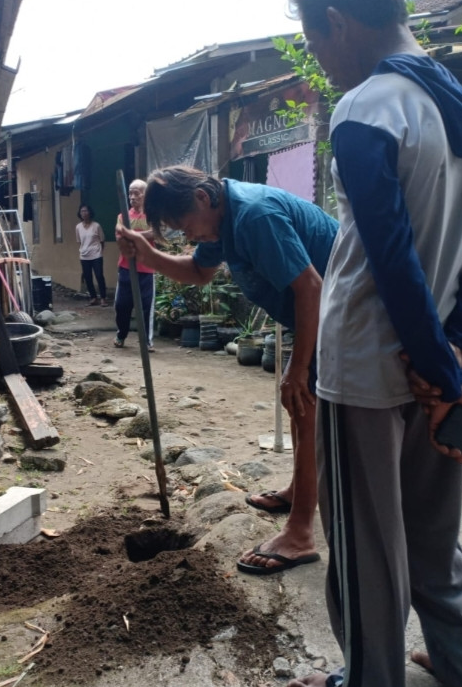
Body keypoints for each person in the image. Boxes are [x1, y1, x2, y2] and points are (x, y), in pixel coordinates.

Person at [286, 0, 462, 687]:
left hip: (364, 370)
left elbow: (388, 261)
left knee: (365, 551)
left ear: (339, 22)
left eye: (316, 42)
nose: (320, 61)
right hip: (435, 362)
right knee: (430, 533)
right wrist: (456, 355)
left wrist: (439, 366)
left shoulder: (366, 110)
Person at [116, 165, 339, 575]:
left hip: (347, 313)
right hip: (321, 312)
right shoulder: (223, 215)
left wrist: (299, 366)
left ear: (202, 197)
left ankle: (301, 532)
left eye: (186, 227)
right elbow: (199, 273)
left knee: (303, 402)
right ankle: (300, 491)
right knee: (297, 405)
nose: (191, 237)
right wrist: (147, 254)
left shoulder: (254, 215)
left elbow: (311, 287)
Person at [114, 179, 156, 350]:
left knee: (146, 307)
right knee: (121, 305)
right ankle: (121, 334)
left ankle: (146, 341)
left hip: (147, 268)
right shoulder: (123, 216)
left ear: (145, 195)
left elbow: (155, 233)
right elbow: (119, 236)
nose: (132, 197)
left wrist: (131, 235)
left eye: (136, 192)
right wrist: (136, 236)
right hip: (126, 267)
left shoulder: (153, 214)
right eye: (130, 193)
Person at [76, 205, 108, 306]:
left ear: (90, 212)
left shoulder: (96, 226)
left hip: (96, 255)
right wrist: (83, 250)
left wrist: (99, 252)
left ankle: (103, 298)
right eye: (82, 211)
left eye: (86, 211)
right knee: (88, 277)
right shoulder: (78, 227)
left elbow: (102, 240)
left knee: (99, 276)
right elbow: (79, 241)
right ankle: (93, 297)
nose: (84, 213)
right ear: (80, 214)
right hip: (84, 256)